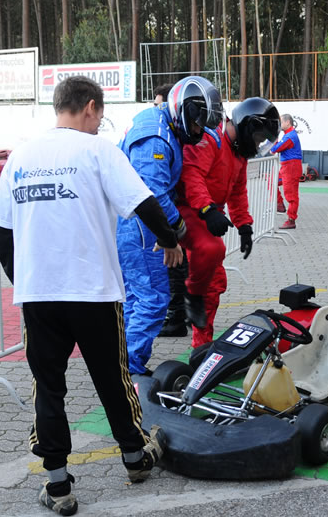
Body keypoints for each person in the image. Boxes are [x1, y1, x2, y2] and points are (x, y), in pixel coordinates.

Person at [0, 76, 183, 516]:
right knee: (113, 379)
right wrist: (170, 240)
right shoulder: (97, 150)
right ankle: (136, 458)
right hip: (93, 292)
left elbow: (3, 233)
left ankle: (58, 486)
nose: (99, 124)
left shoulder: (20, 157)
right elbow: (143, 201)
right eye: (100, 116)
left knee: (49, 388)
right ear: (91, 108)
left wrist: (24, 280)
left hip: (39, 296)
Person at [117, 76, 223, 375]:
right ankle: (130, 369)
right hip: (139, 225)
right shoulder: (155, 137)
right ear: (185, 112)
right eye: (199, 125)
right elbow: (152, 192)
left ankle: (120, 361)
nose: (199, 132)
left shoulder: (161, 125)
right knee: (153, 298)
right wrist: (175, 234)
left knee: (136, 298)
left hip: (130, 222)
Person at [178, 97, 280, 347]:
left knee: (215, 283)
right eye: (258, 138)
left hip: (208, 216)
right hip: (189, 211)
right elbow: (192, 175)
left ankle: (201, 345)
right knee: (210, 265)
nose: (258, 145)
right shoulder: (210, 139)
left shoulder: (238, 153)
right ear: (248, 126)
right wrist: (206, 208)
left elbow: (237, 192)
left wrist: (244, 225)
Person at [153, 81, 191, 338]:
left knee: (176, 264)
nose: (156, 110)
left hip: (178, 209)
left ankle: (177, 316)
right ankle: (180, 313)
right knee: (177, 265)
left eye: (159, 105)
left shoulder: (177, 134)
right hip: (177, 208)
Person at [269, 114, 303, 229]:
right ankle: (280, 205)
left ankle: (291, 219)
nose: (280, 124)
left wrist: (273, 144)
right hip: (287, 167)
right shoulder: (289, 135)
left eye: (281, 122)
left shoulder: (289, 137)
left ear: (288, 122)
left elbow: (275, 149)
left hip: (291, 168)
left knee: (291, 195)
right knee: (271, 181)